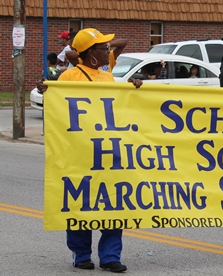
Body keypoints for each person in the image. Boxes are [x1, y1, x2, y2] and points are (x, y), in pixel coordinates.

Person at [36, 28, 142, 273]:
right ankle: (81, 254)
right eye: (103, 48)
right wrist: (46, 91)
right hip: (79, 152)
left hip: (108, 152)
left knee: (113, 202)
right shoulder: (69, 76)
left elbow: (119, 108)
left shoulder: (108, 77)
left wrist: (135, 90)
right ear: (90, 53)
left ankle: (110, 256)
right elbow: (58, 106)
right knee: (80, 203)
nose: (108, 51)